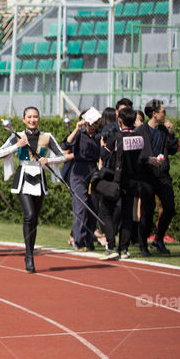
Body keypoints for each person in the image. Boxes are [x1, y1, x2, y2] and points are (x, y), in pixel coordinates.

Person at [0, 107, 66, 273]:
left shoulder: (46, 137)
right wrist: (16, 146)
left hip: (39, 180)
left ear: (39, 119)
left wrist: (49, 159)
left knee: (35, 219)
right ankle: (28, 255)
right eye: (29, 117)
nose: (32, 120)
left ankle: (30, 250)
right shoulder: (17, 135)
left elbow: (62, 155)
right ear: (23, 119)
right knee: (29, 215)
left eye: (35, 117)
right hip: (23, 179)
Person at [97, 107, 150, 259]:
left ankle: (111, 246)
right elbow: (141, 158)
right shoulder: (140, 138)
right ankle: (124, 248)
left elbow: (104, 155)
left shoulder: (116, 137)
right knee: (127, 214)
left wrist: (103, 146)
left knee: (105, 212)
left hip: (116, 179)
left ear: (119, 120)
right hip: (133, 180)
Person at [137, 99, 178, 254]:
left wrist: (172, 133)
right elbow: (134, 155)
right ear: (154, 114)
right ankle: (142, 244)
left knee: (169, 207)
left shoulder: (164, 130)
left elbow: (173, 149)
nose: (165, 114)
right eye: (163, 111)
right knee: (147, 212)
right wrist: (147, 160)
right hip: (146, 177)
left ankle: (158, 239)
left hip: (163, 177)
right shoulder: (140, 131)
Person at [62, 107, 102, 251]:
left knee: (93, 206)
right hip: (79, 171)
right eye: (91, 124)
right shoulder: (80, 133)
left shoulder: (98, 136)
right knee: (81, 206)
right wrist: (77, 129)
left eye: (96, 124)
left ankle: (89, 240)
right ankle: (78, 240)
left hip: (93, 171)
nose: (93, 127)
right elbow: (66, 144)